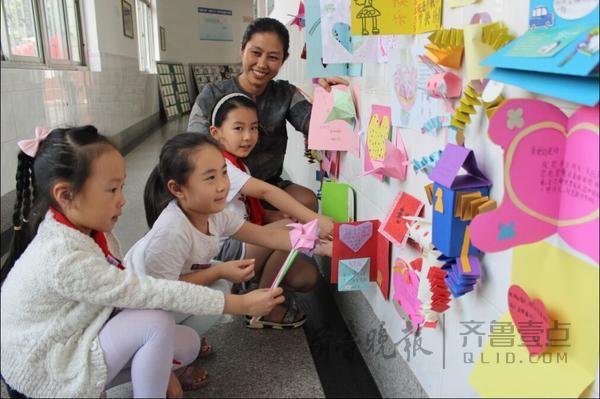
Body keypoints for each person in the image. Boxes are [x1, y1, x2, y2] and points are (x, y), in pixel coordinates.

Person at [0, 126, 284, 399]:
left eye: (121, 187)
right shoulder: (64, 256)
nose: (123, 200)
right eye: (112, 190)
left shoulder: (89, 230)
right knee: (155, 321)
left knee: (186, 344)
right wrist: (242, 304)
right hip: (40, 371)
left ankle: (152, 381)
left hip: (72, 339)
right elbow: (154, 292)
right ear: (65, 195)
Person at [125, 132, 331, 336]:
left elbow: (266, 236)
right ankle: (167, 348)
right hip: (142, 312)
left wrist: (319, 245)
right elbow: (167, 292)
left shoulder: (215, 216)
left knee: (219, 291)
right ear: (178, 189)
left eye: (224, 173)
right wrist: (233, 291)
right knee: (216, 294)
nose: (223, 185)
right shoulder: (171, 232)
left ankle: (178, 342)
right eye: (210, 178)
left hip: (167, 295)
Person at [188, 17, 348, 219]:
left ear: (283, 60)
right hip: (227, 187)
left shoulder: (285, 93)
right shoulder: (212, 94)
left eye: (273, 57)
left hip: (270, 184)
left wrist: (329, 99)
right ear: (242, 49)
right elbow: (193, 148)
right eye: (255, 53)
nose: (262, 64)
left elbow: (314, 125)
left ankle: (270, 232)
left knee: (306, 201)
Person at [208, 92, 335, 328]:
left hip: (241, 240)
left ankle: (254, 287)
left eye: (254, 128)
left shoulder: (238, 162)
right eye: (238, 128)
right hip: (224, 251)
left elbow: (238, 206)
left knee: (306, 278)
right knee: (293, 229)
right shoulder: (220, 164)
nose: (248, 137)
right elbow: (266, 192)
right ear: (216, 133)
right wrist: (315, 220)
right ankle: (262, 308)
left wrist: (270, 216)